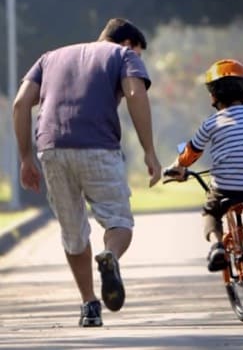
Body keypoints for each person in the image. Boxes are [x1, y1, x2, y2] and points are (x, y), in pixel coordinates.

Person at [13, 17, 161, 327]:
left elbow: (20, 104)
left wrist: (26, 158)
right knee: (118, 221)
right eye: (138, 53)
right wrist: (149, 151)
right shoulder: (123, 56)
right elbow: (135, 94)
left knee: (74, 234)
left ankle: (89, 306)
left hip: (51, 149)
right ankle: (111, 258)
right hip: (98, 147)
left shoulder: (48, 58)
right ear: (128, 44)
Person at [165, 58, 243, 291]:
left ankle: (217, 247)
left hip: (224, 186)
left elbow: (191, 153)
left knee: (211, 212)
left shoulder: (210, 123)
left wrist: (178, 166)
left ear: (213, 96)